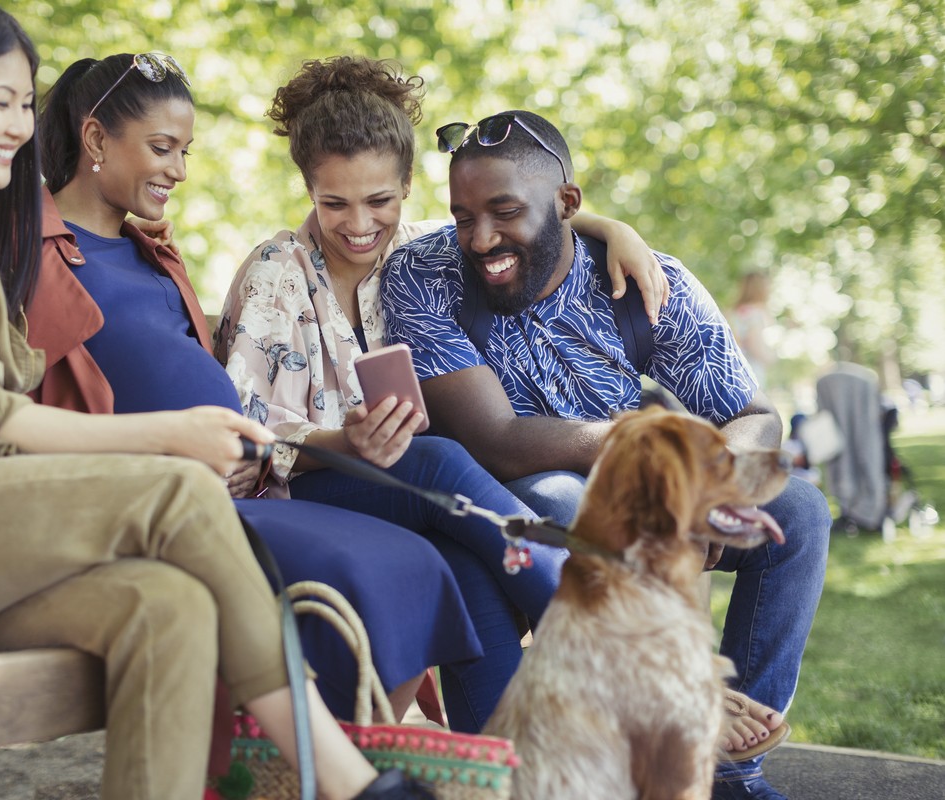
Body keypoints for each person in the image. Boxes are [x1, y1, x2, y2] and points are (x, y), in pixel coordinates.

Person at [0, 2, 434, 797]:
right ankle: (341, 777)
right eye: (1, 101)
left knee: (165, 607)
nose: (22, 126)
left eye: (28, 105)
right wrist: (173, 434)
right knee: (174, 490)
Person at [379, 109, 831, 800]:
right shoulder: (424, 274)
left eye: (503, 212)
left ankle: (730, 768)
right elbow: (494, 442)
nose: (480, 237)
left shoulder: (649, 283)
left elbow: (753, 418)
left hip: (642, 496)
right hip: (525, 499)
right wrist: (659, 472)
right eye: (463, 215)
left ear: (567, 204)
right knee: (566, 498)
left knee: (797, 511)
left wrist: (705, 489)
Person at [213, 56, 668, 733]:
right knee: (440, 460)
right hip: (309, 492)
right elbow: (239, 440)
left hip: (424, 501)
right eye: (333, 203)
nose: (359, 225)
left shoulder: (429, 251)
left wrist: (612, 231)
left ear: (407, 187)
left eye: (380, 202)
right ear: (307, 189)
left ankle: (503, 765)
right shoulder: (276, 274)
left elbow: (533, 217)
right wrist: (346, 443)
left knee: (468, 565)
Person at [28, 51, 483, 725]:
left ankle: (350, 768)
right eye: (163, 148)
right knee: (389, 559)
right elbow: (19, 395)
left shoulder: (148, 251)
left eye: (184, 150)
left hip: (234, 480)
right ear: (95, 139)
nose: (179, 170)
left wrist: (600, 225)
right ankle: (342, 774)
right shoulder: (31, 250)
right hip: (163, 498)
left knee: (414, 567)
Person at [728, 271, 776, 388]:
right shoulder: (756, 313)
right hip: (752, 371)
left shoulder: (732, 312)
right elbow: (754, 345)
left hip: (733, 370)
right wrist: (771, 358)